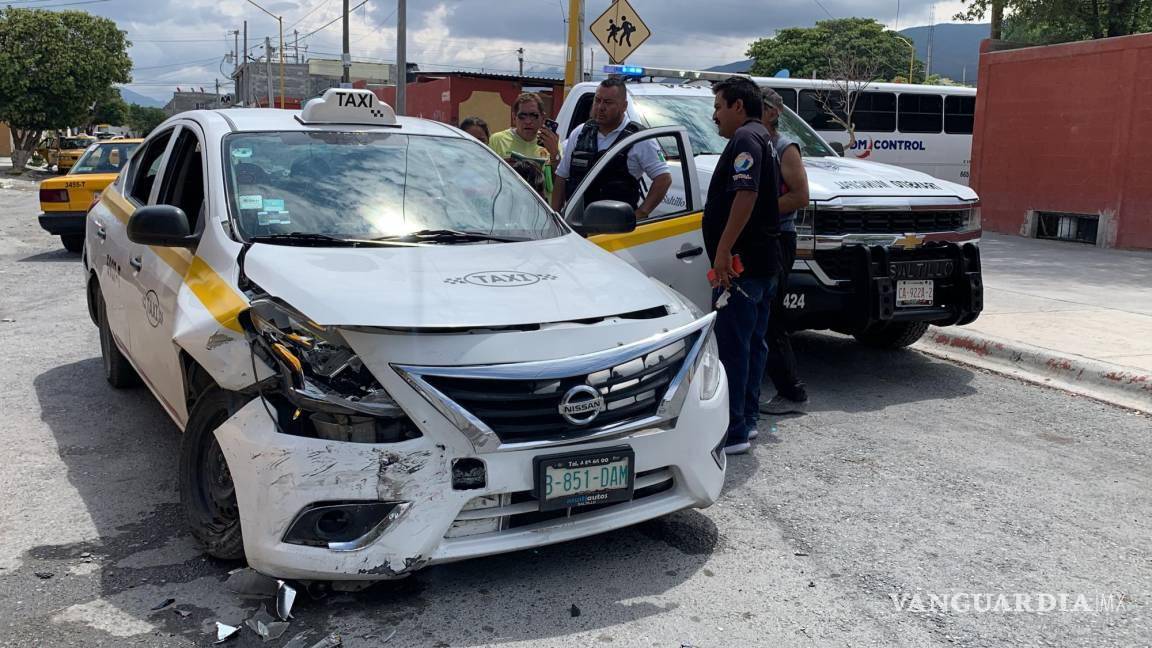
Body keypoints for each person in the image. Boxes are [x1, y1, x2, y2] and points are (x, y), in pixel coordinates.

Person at [704, 76, 782, 455]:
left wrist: (723, 251)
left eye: (719, 107)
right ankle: (747, 421)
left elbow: (745, 194)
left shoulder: (746, 140)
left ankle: (733, 430)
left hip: (743, 267)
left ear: (738, 106)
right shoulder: (763, 137)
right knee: (751, 345)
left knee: (734, 348)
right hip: (761, 264)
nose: (714, 115)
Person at [552, 77, 671, 218]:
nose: (600, 107)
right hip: (577, 226)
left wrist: (640, 214)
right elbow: (561, 177)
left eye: (608, 102)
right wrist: (555, 217)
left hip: (616, 231)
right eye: (597, 100)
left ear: (624, 106)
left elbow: (664, 179)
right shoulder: (580, 133)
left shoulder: (638, 138)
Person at [759, 88, 811, 415]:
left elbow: (799, 196)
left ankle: (791, 391)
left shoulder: (784, 148)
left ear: (773, 113)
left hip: (779, 237)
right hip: (761, 237)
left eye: (759, 107)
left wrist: (758, 211)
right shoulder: (753, 144)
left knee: (773, 317)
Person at [489, 93, 560, 202]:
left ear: (543, 118)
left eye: (533, 115)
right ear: (514, 117)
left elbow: (559, 185)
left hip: (541, 209)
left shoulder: (550, 143)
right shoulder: (498, 140)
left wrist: (555, 155)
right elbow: (488, 180)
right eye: (522, 116)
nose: (528, 121)